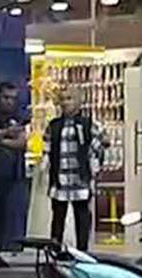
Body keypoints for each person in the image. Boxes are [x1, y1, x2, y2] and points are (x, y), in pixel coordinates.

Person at [44, 88, 106, 252]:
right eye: (63, 99)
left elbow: (97, 148)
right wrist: (46, 165)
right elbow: (48, 148)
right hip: (60, 179)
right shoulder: (54, 126)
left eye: (69, 99)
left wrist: (94, 168)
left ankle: (82, 251)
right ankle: (55, 250)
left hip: (80, 179)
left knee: (82, 217)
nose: (65, 103)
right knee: (58, 217)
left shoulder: (88, 125)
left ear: (79, 102)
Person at [0, 82, 28, 268]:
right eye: (6, 97)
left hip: (9, 173)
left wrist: (1, 140)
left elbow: (22, 142)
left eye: (13, 98)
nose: (9, 102)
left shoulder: (17, 116)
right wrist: (5, 134)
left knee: (3, 215)